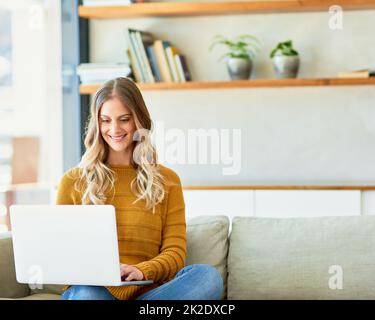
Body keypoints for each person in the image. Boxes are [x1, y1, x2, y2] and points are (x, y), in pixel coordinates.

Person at [57, 77, 223, 300]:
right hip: (95, 291)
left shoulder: (167, 180)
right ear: (97, 125)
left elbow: (175, 253)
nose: (114, 129)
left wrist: (141, 270)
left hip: (150, 293)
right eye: (105, 120)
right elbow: (62, 252)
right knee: (88, 295)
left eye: (124, 119)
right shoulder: (73, 181)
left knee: (207, 277)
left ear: (138, 121)